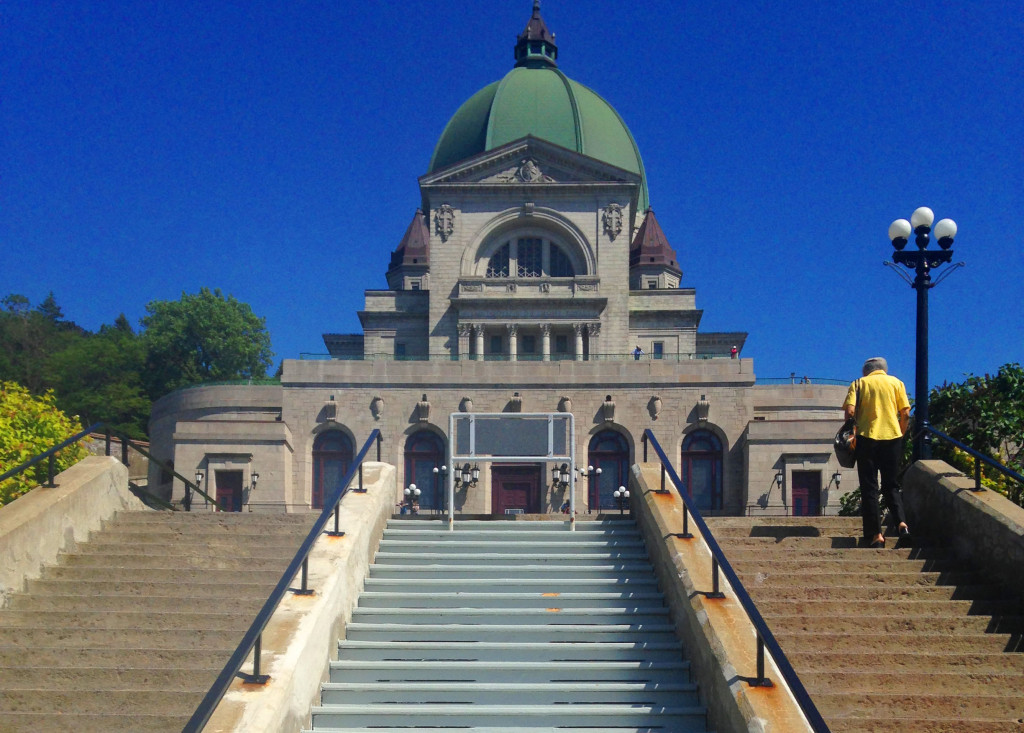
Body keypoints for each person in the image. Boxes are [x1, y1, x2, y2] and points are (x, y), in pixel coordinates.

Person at [843, 357, 911, 548]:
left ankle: (876, 536)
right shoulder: (897, 383)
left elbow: (849, 411)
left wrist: (850, 430)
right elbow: (905, 413)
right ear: (884, 369)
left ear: (866, 371)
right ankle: (902, 524)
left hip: (867, 438)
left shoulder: (859, 384)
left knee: (870, 487)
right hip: (893, 437)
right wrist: (900, 432)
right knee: (891, 485)